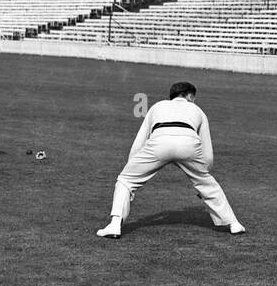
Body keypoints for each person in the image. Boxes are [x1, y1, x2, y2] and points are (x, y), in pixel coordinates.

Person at [96, 81, 244, 238]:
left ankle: (114, 225)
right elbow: (206, 147)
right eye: (193, 97)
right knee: (208, 184)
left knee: (125, 180)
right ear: (189, 95)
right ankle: (234, 223)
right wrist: (204, 172)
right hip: (188, 143)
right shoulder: (197, 110)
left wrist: (131, 165)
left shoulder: (157, 106)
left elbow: (140, 139)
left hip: (159, 141)